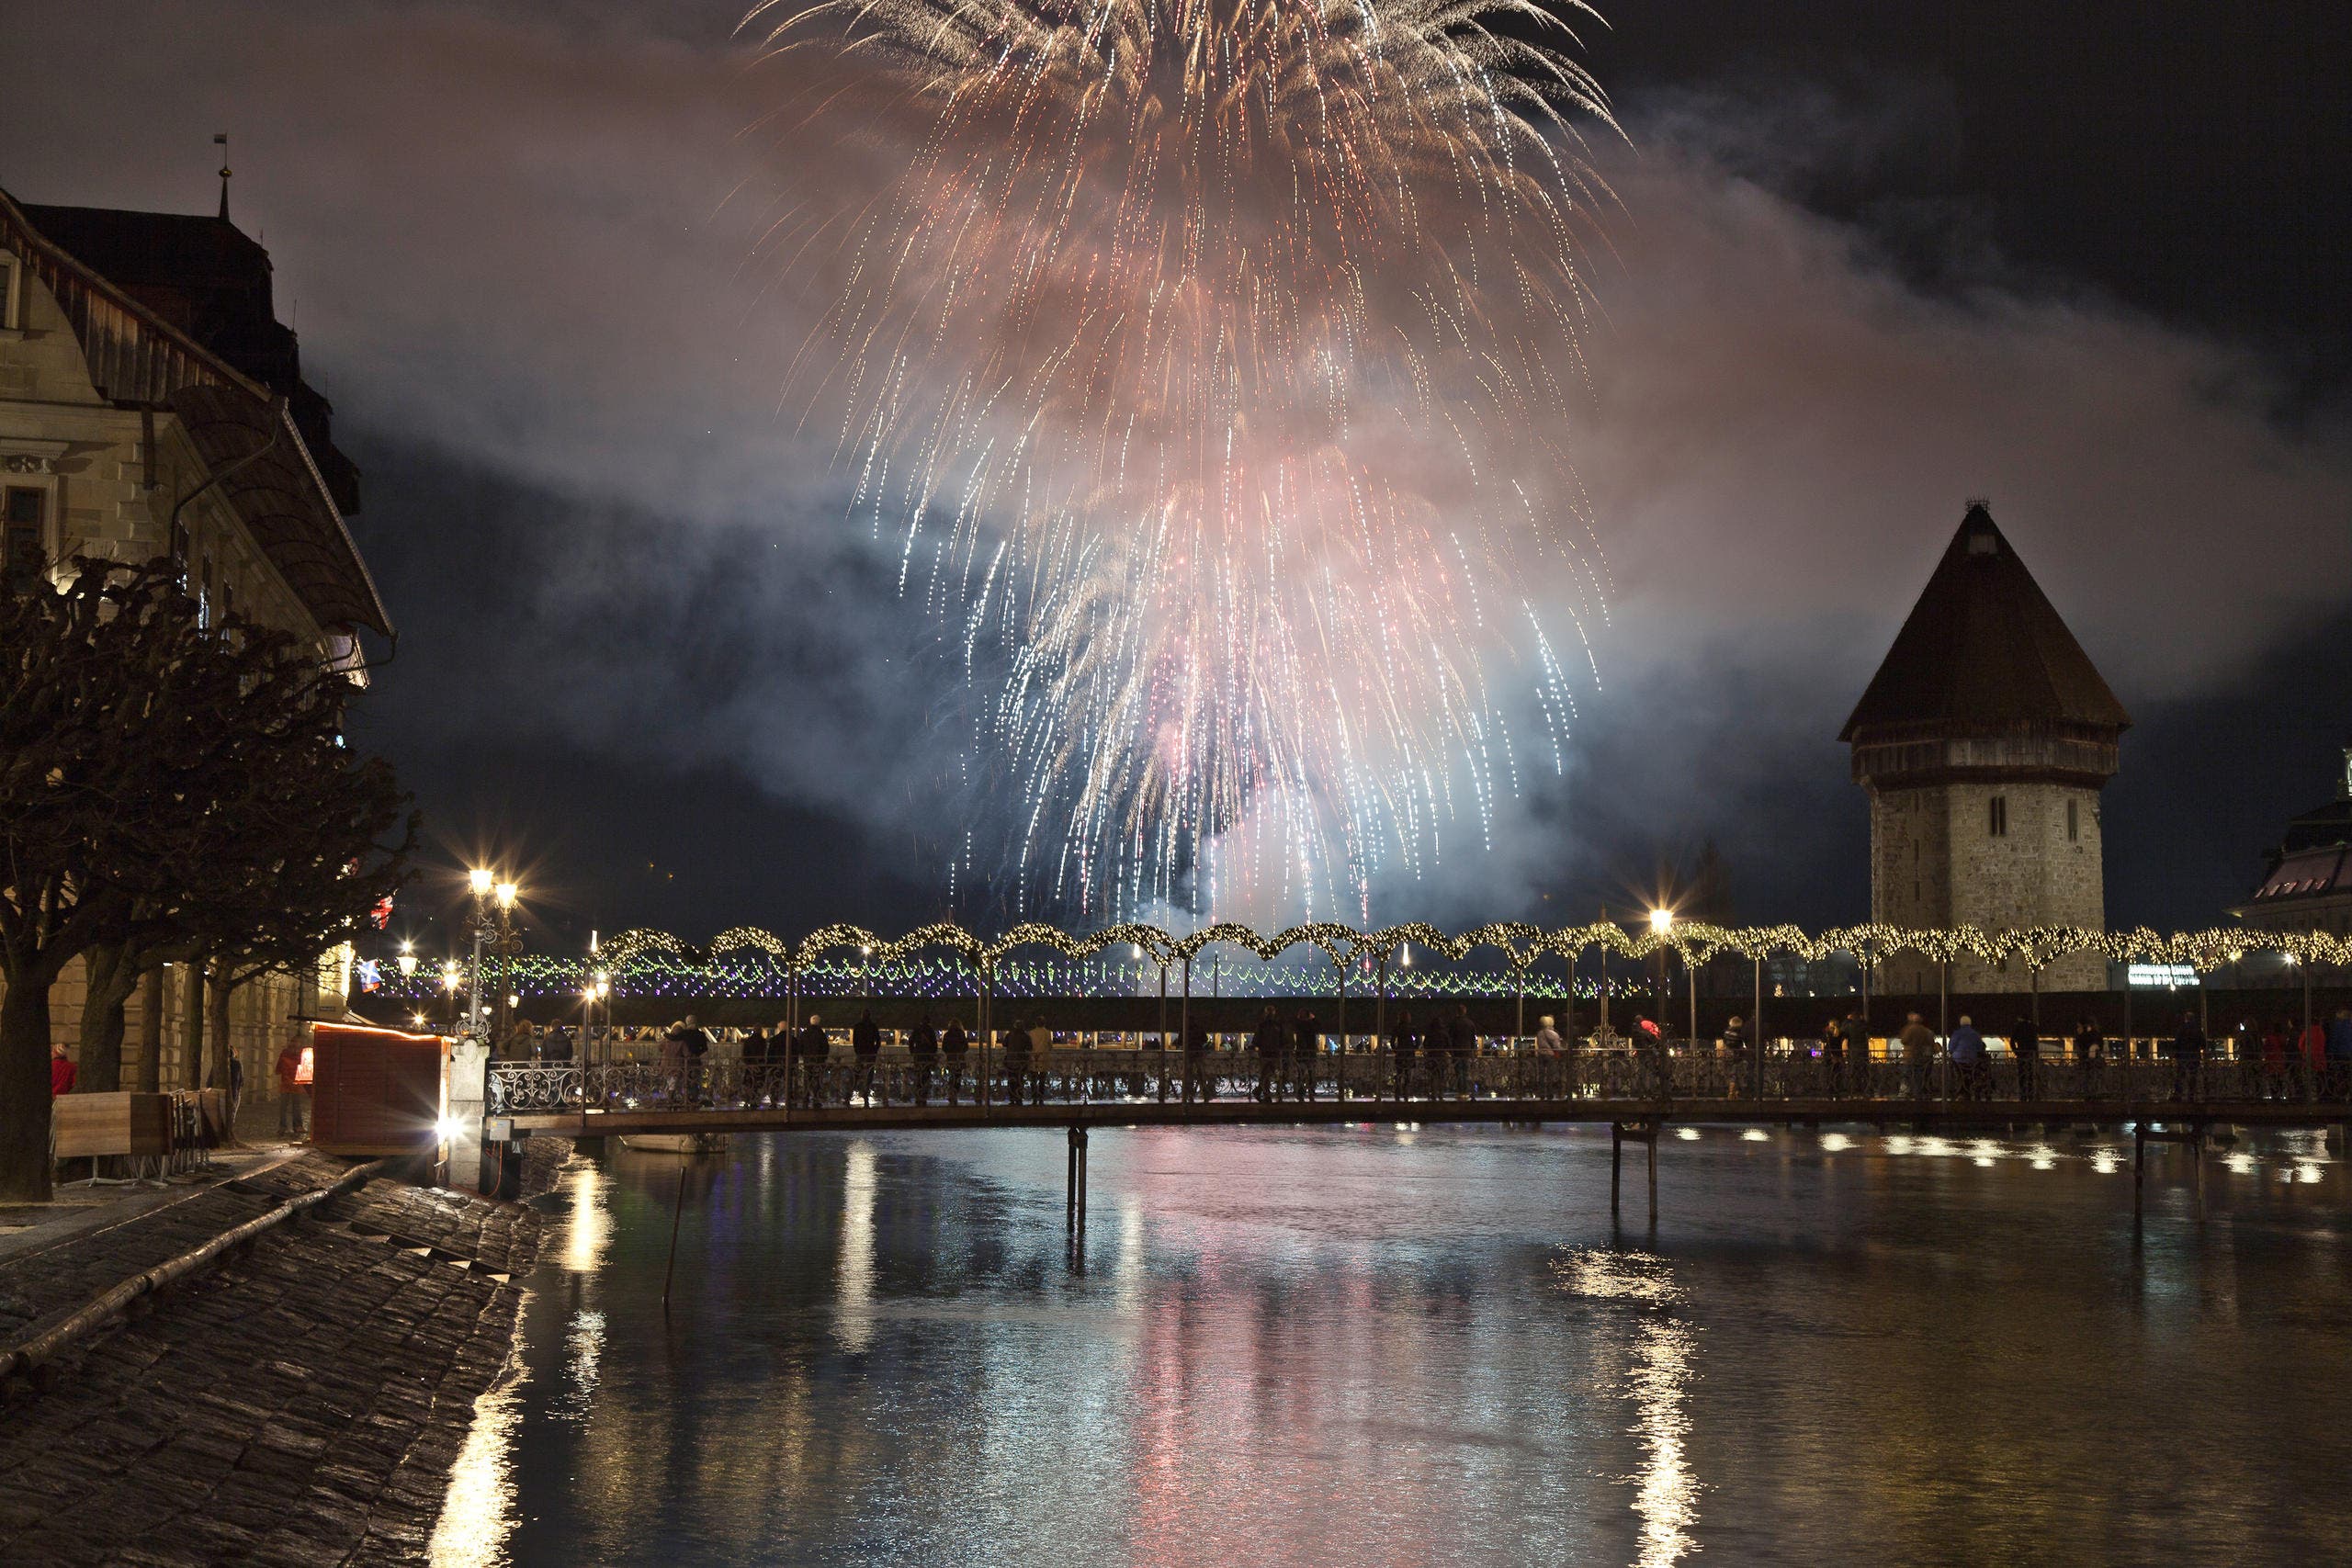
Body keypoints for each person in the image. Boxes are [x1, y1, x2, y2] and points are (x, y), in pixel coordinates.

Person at [2165, 1010, 2206, 1101]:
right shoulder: (2198, 1029)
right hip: (2194, 1056)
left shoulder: (2182, 1029)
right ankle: (2191, 1094)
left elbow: (2176, 1043)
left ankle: (2178, 1094)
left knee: (2180, 1075)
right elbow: (2203, 1044)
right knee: (2193, 1075)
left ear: (2185, 1019)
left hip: (2183, 1056)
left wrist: (2176, 1052)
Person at [275, 1036, 309, 1137]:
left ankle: (283, 1127)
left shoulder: (285, 1053)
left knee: (285, 1107)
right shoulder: (300, 1054)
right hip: (294, 1084)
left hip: (288, 1083)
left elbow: (279, 1069)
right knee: (295, 1106)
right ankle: (296, 1126)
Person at [1946, 1016, 1986, 1100]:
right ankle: (1967, 1091)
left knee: (1959, 1075)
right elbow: (1979, 1047)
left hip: (1958, 1059)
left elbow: (1951, 1047)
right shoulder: (1975, 1034)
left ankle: (1961, 1092)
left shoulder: (1957, 1033)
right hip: (1971, 1059)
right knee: (1969, 1075)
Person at [1897, 1012, 1935, 1100]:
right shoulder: (1926, 1030)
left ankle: (1907, 1092)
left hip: (1910, 1056)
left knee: (1907, 1075)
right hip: (1922, 1056)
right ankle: (1920, 1092)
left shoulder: (1910, 1029)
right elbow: (1930, 1042)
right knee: (1920, 1076)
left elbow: (1904, 1040)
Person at [1251, 1004, 1284, 1103]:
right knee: (1275, 1074)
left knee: (1266, 1075)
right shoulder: (1277, 1026)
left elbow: (1256, 1040)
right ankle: (1273, 1093)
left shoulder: (1262, 1025)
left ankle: (1265, 1093)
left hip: (1266, 1053)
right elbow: (1283, 1039)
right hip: (1273, 1053)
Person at [852, 1007, 884, 1106]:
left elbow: (855, 1041)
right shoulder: (873, 1026)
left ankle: (853, 1090)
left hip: (860, 1053)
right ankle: (866, 1090)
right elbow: (878, 1040)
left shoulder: (857, 1026)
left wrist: (857, 1050)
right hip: (870, 1052)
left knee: (857, 1071)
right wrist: (875, 1050)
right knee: (870, 1072)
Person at [907, 1012, 939, 1106]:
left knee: (918, 1075)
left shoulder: (917, 1030)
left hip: (918, 1056)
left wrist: (913, 1051)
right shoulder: (930, 1030)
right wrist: (932, 1054)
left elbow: (911, 1041)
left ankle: (918, 1094)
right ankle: (923, 1095)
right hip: (927, 1056)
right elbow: (934, 1045)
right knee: (926, 1075)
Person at [1293, 1008, 1322, 1101]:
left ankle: (1300, 1093)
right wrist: (1313, 1018)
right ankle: (1311, 1093)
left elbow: (1294, 1023)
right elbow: (1319, 1026)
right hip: (1311, 1053)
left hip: (1301, 1053)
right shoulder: (1311, 1025)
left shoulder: (1298, 1025)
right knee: (1311, 1074)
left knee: (1300, 1074)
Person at [1533, 1014, 1566, 1099]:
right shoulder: (1554, 1034)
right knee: (1550, 1075)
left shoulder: (1539, 1033)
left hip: (1541, 1055)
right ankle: (1549, 1093)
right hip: (1550, 1055)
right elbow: (1556, 1047)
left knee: (1541, 1074)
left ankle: (1541, 1093)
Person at [1389, 1008, 1419, 1099]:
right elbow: (1418, 1041)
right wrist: (1414, 1048)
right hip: (1409, 1053)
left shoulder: (1397, 1028)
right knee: (1408, 1074)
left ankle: (1398, 1091)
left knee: (1399, 1073)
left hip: (1400, 1053)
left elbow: (1392, 1041)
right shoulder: (1412, 1028)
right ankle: (1406, 1092)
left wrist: (1396, 1050)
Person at [2297, 1013, 2328, 1101]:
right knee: (2320, 1079)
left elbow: (2300, 1044)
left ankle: (2308, 1097)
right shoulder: (2321, 1032)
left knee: (2308, 1078)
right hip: (2320, 1059)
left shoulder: (2307, 1031)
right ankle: (2320, 1096)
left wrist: (2304, 1052)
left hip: (2309, 1059)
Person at [2073, 1018, 2107, 1098]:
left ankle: (2090, 1094)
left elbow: (2094, 1047)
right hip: (2088, 1064)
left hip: (2090, 1064)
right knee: (2089, 1081)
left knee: (2090, 1080)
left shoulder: (2091, 1036)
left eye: (2079, 1026)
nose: (2077, 1029)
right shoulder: (2089, 1036)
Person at [940, 1017, 968, 1105]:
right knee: (958, 1076)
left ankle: (951, 1093)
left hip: (951, 1058)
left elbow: (944, 1047)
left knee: (951, 1076)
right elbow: (966, 1047)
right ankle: (955, 1093)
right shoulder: (961, 1034)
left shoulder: (947, 1035)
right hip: (959, 1059)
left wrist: (950, 1053)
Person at [2010, 1019, 2041, 1100]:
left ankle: (2023, 1094)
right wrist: (2035, 1053)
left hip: (2021, 1054)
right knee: (2030, 1075)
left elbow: (2012, 1041)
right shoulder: (2032, 1027)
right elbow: (2034, 1042)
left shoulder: (2018, 1027)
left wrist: (2016, 1051)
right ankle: (2030, 1094)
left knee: (2022, 1076)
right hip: (2030, 1054)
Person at [2327, 1008, 2352, 1102]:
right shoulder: (2350, 1025)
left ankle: (2340, 1096)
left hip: (2340, 1055)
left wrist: (2330, 1053)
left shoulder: (2338, 1026)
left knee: (2339, 1076)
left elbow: (2334, 1041)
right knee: (2348, 1075)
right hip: (2349, 1054)